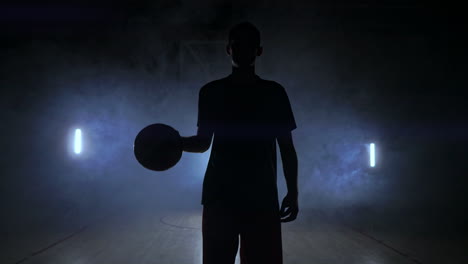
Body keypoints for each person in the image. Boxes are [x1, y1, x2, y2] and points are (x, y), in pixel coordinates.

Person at [181, 21, 298, 264]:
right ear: (228, 49)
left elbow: (287, 148)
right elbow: (203, 143)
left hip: (246, 196)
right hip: (238, 196)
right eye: (237, 45)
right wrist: (173, 143)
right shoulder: (217, 92)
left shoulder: (270, 93)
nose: (242, 50)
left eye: (248, 46)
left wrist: (294, 192)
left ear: (259, 50)